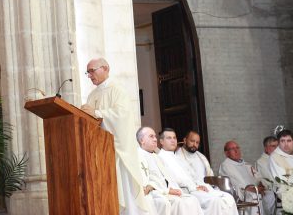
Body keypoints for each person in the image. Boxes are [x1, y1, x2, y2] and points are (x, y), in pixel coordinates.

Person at [80, 58, 148, 214]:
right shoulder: (92, 96)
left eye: (92, 71)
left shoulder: (117, 90)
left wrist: (96, 113)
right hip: (99, 152)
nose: (90, 75)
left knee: (123, 193)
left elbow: (122, 116)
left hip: (118, 151)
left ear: (105, 68)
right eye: (88, 72)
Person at [158, 129, 238, 215]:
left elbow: (192, 176)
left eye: (174, 138)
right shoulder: (161, 158)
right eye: (169, 138)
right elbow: (176, 180)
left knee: (228, 198)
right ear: (161, 141)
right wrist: (195, 187)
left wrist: (199, 185)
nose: (173, 140)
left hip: (195, 187)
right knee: (216, 201)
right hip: (186, 190)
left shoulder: (175, 157)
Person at [137, 126, 202, 215]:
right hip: (156, 193)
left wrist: (173, 188)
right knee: (179, 202)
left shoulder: (156, 156)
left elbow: (167, 178)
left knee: (192, 200)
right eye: (151, 136)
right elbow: (147, 184)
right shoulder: (139, 156)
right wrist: (168, 190)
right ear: (142, 140)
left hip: (165, 190)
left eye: (155, 136)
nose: (155, 139)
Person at [218, 140, 275, 215]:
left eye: (237, 148)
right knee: (254, 196)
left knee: (269, 194)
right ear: (226, 153)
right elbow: (234, 184)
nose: (236, 150)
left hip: (255, 190)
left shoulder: (246, 165)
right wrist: (253, 189)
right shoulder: (226, 166)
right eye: (232, 149)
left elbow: (258, 177)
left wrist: (261, 185)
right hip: (242, 194)